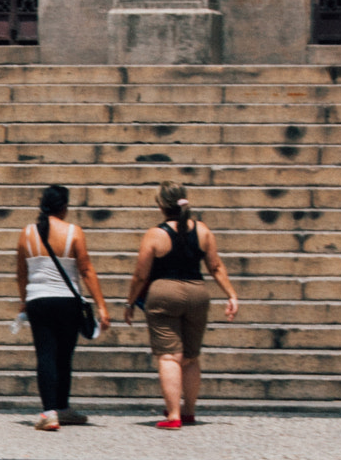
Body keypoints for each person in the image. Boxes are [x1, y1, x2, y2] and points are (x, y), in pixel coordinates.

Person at [125, 181, 238, 429]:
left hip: (164, 291)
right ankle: (189, 411)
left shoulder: (156, 234)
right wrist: (231, 294)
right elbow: (216, 266)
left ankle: (173, 414)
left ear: (161, 205)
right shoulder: (203, 230)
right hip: (198, 292)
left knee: (169, 356)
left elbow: (141, 275)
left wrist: (130, 302)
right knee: (191, 356)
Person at [14, 183, 111, 431]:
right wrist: (101, 306)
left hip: (38, 300)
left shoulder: (27, 234)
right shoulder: (74, 232)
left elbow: (21, 273)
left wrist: (23, 301)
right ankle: (63, 407)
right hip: (68, 301)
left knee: (45, 354)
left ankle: (49, 413)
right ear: (64, 207)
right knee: (64, 356)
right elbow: (86, 270)